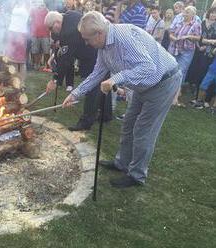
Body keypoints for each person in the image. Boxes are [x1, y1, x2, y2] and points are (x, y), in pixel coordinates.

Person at [62, 11, 181, 188]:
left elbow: (148, 67)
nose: (86, 43)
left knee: (143, 130)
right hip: (142, 85)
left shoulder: (124, 37)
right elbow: (96, 74)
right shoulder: (103, 47)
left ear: (99, 33)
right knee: (128, 124)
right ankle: (122, 163)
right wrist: (75, 94)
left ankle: (136, 175)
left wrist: (116, 79)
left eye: (87, 39)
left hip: (163, 82)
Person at [45, 10, 106, 132]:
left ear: (57, 23)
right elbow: (61, 52)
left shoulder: (69, 32)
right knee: (103, 84)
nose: (51, 32)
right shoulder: (70, 15)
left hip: (92, 56)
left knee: (91, 87)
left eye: (51, 28)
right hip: (93, 53)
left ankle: (86, 122)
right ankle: (106, 115)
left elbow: (65, 60)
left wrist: (55, 79)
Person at [168, 6, 201, 106]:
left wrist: (188, 36)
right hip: (174, 49)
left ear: (192, 15)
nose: (185, 14)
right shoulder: (179, 21)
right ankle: (168, 93)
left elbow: (198, 38)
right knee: (171, 70)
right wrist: (173, 38)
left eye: (187, 12)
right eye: (185, 12)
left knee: (180, 73)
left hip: (186, 52)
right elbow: (171, 32)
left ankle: (175, 98)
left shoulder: (196, 24)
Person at [188, 7, 216, 106]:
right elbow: (198, 37)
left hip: (209, 54)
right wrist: (207, 42)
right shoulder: (202, 23)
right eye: (212, 13)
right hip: (198, 51)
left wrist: (206, 41)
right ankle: (197, 97)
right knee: (197, 73)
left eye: (215, 13)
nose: (213, 15)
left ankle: (201, 100)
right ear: (209, 13)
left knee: (204, 75)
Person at [5, 0, 30, 80]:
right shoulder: (14, 4)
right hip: (12, 31)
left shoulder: (27, 3)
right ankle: (14, 79)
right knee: (12, 58)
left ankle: (22, 80)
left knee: (21, 59)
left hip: (21, 33)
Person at [30, 3, 50, 71]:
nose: (40, 6)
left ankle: (46, 65)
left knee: (46, 51)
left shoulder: (46, 11)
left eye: (42, 5)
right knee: (35, 51)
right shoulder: (33, 10)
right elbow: (30, 18)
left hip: (45, 34)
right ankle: (36, 65)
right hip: (35, 34)